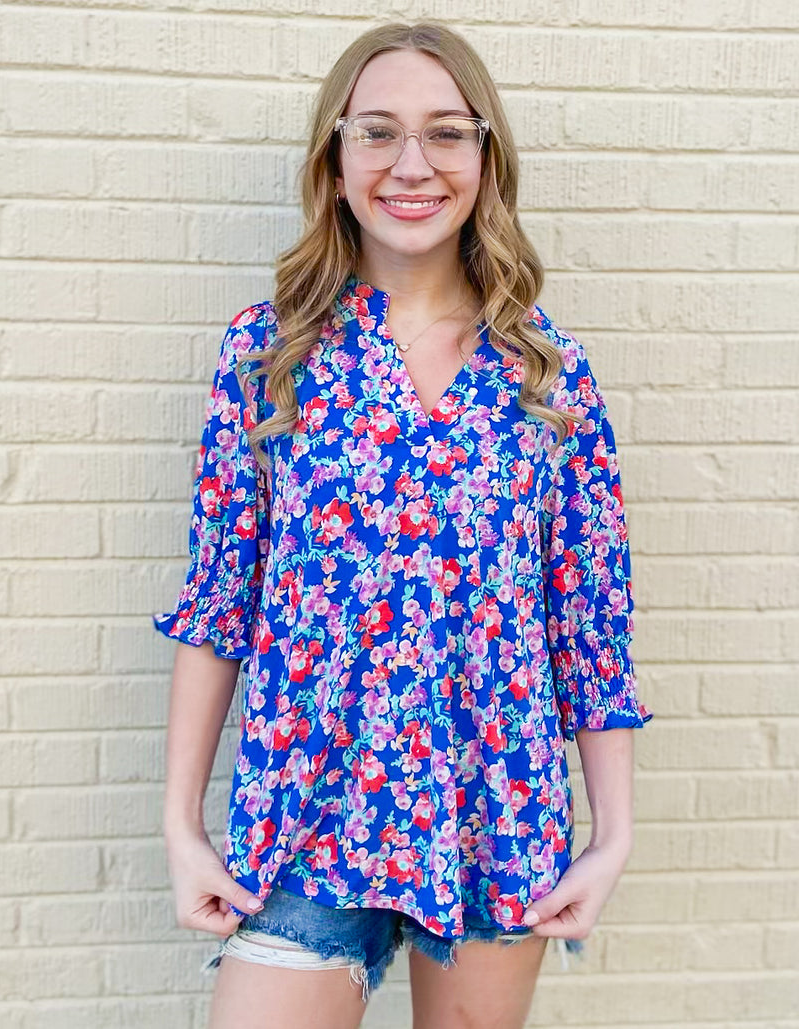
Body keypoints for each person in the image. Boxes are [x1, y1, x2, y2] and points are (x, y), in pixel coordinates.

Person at [153, 20, 652, 1029]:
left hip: (496, 813)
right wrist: (180, 824)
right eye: (376, 133)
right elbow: (220, 601)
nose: (411, 164)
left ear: (484, 158)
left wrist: (612, 836)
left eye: (445, 134)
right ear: (334, 163)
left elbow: (586, 621)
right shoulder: (269, 357)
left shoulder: (547, 378)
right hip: (306, 816)